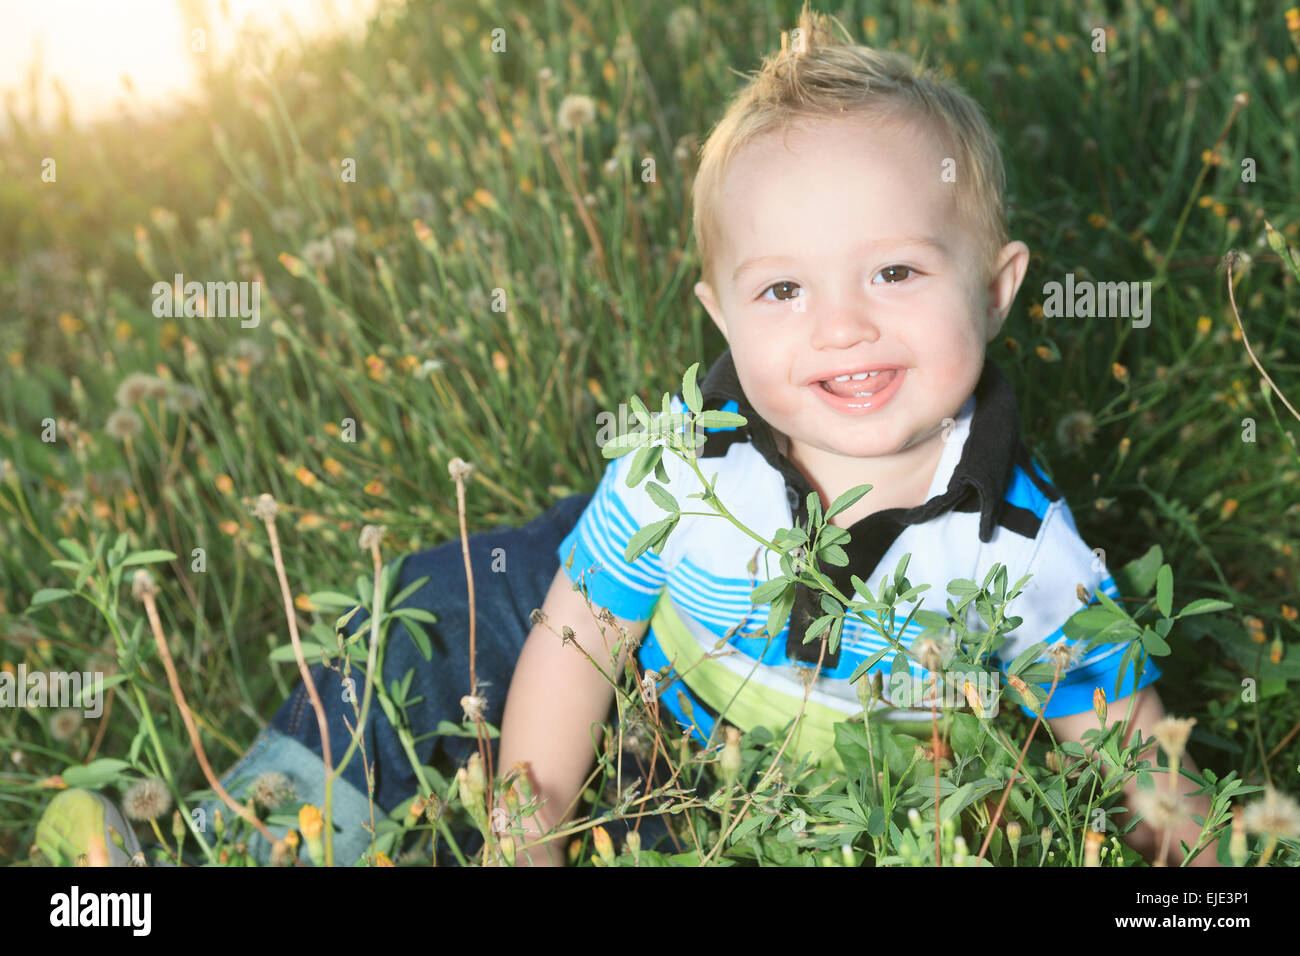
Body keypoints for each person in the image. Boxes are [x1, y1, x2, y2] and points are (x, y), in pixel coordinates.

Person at [37, 2, 1217, 868]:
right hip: (611, 627)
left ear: (998, 287)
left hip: (731, 777)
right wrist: (527, 838)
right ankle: (236, 846)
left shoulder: (1022, 548)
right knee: (446, 607)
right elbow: (579, 638)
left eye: (896, 268)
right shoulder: (682, 464)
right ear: (719, 316)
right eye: (783, 292)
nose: (843, 324)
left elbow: (1131, 747)